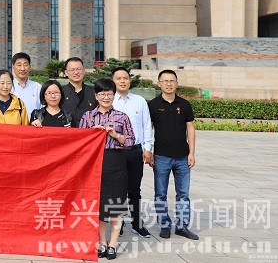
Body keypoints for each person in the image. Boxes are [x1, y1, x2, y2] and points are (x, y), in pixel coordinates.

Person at [78, 79, 135, 260]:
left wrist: (115, 135)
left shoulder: (121, 116)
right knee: (100, 205)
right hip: (95, 162)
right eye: (102, 94)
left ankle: (113, 244)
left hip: (116, 161)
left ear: (113, 95)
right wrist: (91, 133)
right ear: (96, 96)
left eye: (109, 93)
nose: (106, 97)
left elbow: (130, 141)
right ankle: (102, 242)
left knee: (116, 204)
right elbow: (79, 141)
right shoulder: (88, 117)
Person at [148, 69, 198, 241]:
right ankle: (164, 225)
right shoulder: (152, 105)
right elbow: (148, 130)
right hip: (161, 157)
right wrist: (149, 151)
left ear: (177, 83)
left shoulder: (184, 104)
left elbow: (190, 128)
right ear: (159, 83)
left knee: (183, 194)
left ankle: (182, 226)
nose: (168, 84)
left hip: (183, 157)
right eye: (165, 81)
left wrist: (192, 152)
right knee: (160, 194)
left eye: (172, 81)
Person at [111, 66, 154, 238]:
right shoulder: (109, 100)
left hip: (135, 151)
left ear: (130, 80)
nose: (122, 81)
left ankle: (137, 223)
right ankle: (119, 224)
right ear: (113, 81)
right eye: (118, 78)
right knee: (117, 189)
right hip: (115, 152)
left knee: (134, 189)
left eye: (125, 78)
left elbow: (147, 125)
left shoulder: (139, 101)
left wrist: (148, 149)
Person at [61, 57, 97, 123]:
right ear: (66, 73)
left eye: (79, 69)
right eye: (72, 70)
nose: (76, 72)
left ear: (84, 70)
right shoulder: (60, 93)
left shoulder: (94, 92)